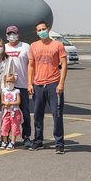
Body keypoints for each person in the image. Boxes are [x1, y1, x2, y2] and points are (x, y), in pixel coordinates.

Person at [28, 21, 67, 154]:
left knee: (57, 114)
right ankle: (38, 141)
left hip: (53, 84)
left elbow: (64, 64)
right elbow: (31, 66)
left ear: (48, 29)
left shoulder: (58, 45)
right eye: (39, 30)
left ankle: (59, 143)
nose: (41, 32)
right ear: (37, 32)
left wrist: (61, 83)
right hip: (38, 85)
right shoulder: (33, 46)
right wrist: (29, 83)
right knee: (38, 115)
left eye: (43, 29)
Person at [4, 25, 32, 148]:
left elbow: (31, 65)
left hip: (22, 86)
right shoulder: (3, 48)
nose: (12, 36)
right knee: (7, 114)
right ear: (6, 36)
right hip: (8, 87)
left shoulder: (25, 47)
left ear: (18, 34)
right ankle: (6, 137)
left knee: (24, 112)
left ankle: (26, 137)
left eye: (14, 33)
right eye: (9, 34)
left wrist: (31, 83)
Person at [0, 73, 22, 150]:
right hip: (6, 112)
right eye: (7, 81)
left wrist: (10, 103)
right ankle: (5, 141)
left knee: (14, 127)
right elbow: (2, 101)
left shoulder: (16, 91)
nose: (9, 83)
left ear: (14, 82)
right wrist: (5, 103)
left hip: (15, 112)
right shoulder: (4, 90)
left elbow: (18, 102)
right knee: (4, 127)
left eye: (11, 81)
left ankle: (12, 142)